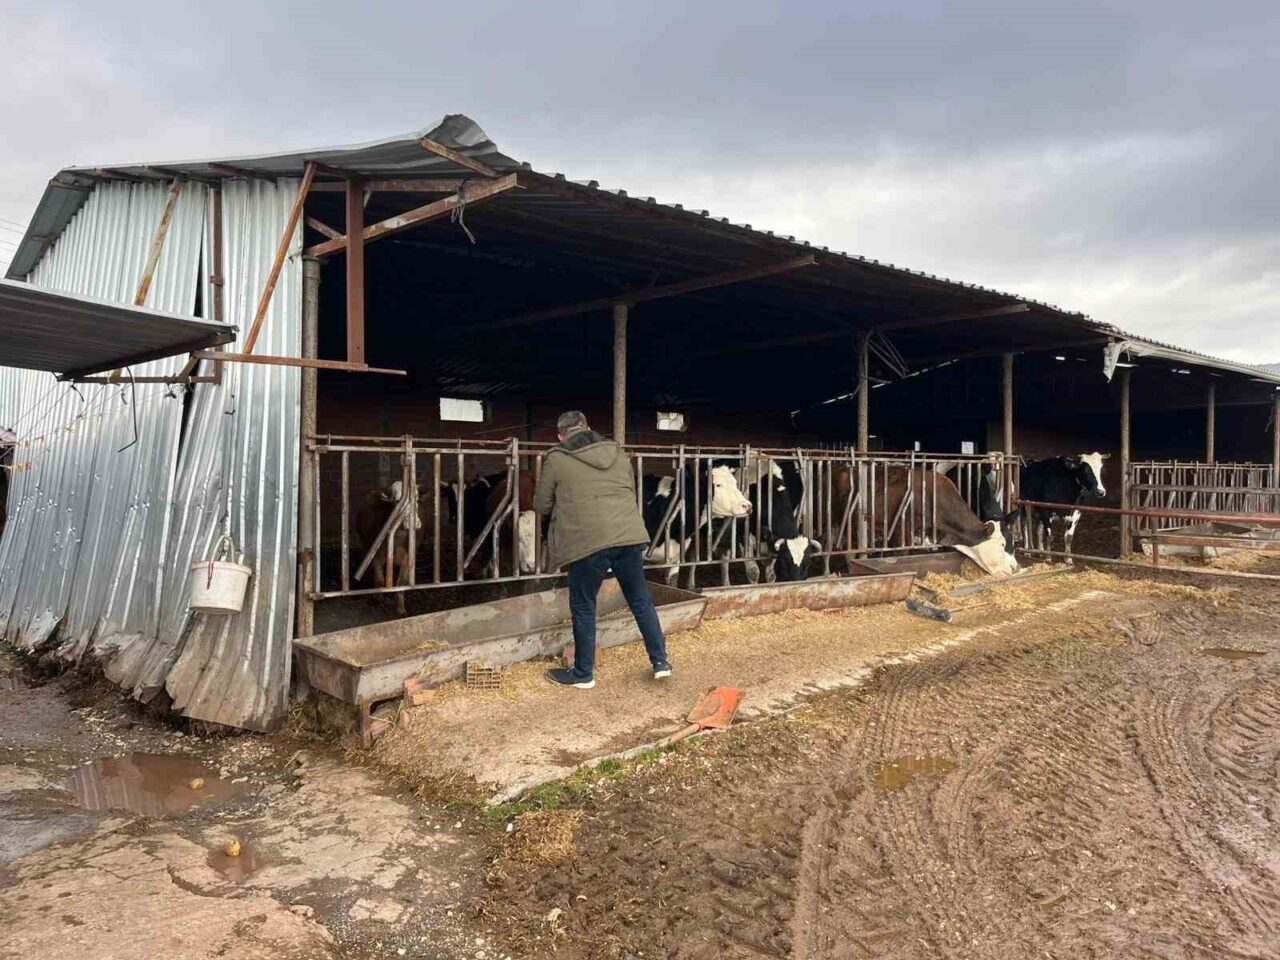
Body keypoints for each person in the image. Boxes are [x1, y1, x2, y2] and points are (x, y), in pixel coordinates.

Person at [533, 411, 672, 689]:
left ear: (560, 435)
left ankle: (583, 674)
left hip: (587, 541)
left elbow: (541, 505)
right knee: (640, 599)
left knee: (584, 605)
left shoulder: (556, 458)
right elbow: (628, 490)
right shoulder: (617, 452)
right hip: (628, 536)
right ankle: (660, 662)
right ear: (587, 427)